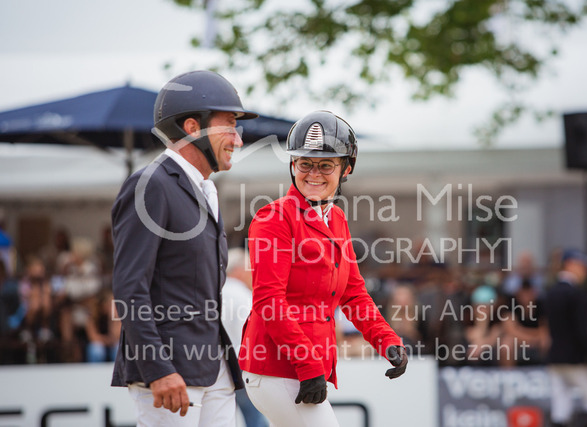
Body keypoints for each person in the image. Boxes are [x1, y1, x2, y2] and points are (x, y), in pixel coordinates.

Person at [239, 111, 408, 427]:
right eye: (305, 164)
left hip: (307, 367)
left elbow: (353, 294)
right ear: (293, 165)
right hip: (278, 368)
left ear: (346, 168)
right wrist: (307, 364)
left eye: (326, 165)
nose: (314, 174)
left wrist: (387, 340)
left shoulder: (336, 219)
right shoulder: (274, 218)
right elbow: (269, 302)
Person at [110, 70, 257, 426]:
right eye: (229, 125)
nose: (238, 140)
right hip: (170, 370)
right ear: (193, 127)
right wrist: (157, 368)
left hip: (214, 366)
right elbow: (130, 287)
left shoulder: (205, 189)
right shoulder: (151, 185)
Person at [545, 249, 587, 427]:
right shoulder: (576, 293)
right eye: (582, 266)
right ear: (570, 264)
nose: (585, 271)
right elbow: (582, 330)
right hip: (577, 359)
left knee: (560, 408)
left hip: (555, 358)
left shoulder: (551, 292)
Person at [221, 248, 268, 427]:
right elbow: (252, 333)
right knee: (255, 418)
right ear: (239, 270)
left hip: (218, 365)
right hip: (242, 365)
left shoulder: (216, 292)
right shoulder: (242, 295)